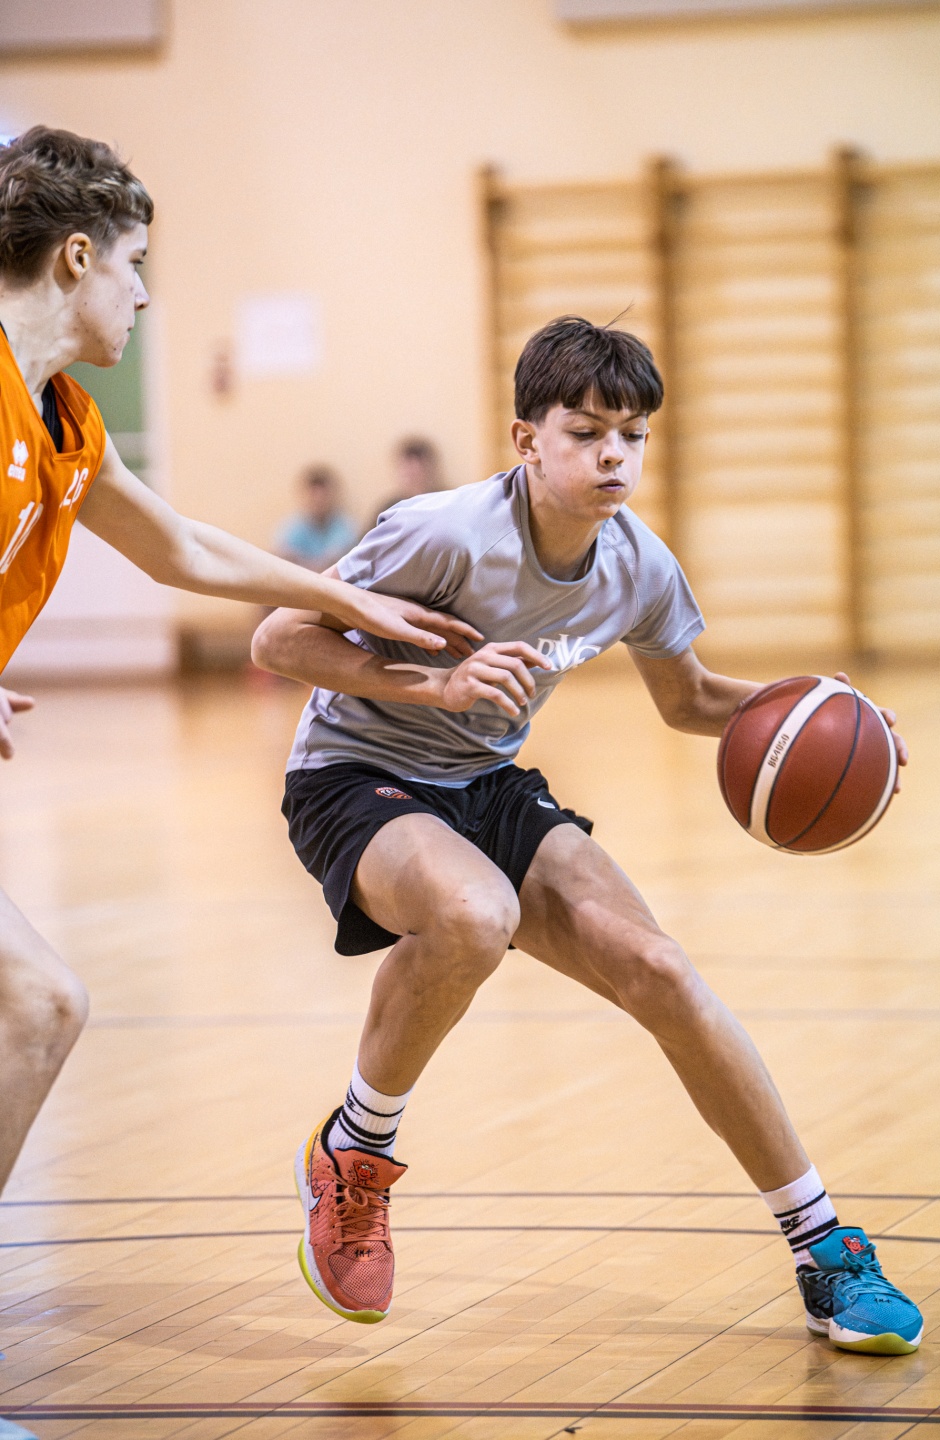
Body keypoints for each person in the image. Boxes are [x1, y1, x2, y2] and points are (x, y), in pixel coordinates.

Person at [252, 315, 923, 1356]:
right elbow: (280, 637)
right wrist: (436, 683)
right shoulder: (443, 534)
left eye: (633, 436)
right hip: (354, 774)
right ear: (527, 439)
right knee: (475, 914)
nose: (615, 456)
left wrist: (826, 714)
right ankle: (356, 1153)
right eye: (587, 432)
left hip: (482, 780)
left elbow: (690, 699)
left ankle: (823, 1247)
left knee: (661, 969)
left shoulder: (638, 565)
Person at [0, 127, 478, 1215]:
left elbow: (182, 547)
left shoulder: (62, 418)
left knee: (40, 1008)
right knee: (37, 1005)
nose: (143, 294)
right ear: (77, 257)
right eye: (135, 265)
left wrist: (345, 599)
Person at [275, 464, 358, 573]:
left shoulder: (345, 526)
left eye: (323, 496)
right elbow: (282, 556)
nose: (319, 501)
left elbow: (340, 560)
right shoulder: (292, 527)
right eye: (314, 496)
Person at [365, 434, 444, 531]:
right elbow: (367, 538)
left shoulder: (443, 503)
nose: (412, 475)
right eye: (407, 470)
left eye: (416, 470)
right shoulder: (389, 508)